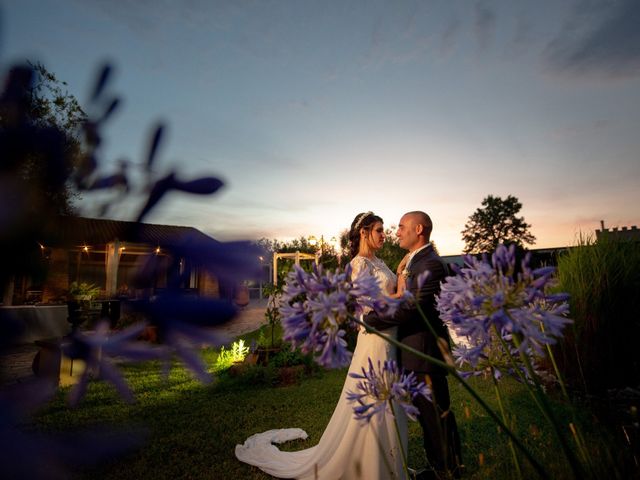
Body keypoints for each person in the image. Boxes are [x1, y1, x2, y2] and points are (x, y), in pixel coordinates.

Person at [235, 212, 408, 479]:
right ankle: (370, 463)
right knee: (374, 398)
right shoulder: (358, 265)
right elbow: (372, 307)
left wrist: (397, 275)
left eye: (384, 231)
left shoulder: (380, 262)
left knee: (390, 397)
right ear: (363, 233)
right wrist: (401, 290)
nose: (384, 235)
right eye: (379, 230)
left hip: (391, 337)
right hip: (375, 338)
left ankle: (391, 461)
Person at [365, 211, 462, 479]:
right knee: (429, 412)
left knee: (435, 413)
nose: (396, 232)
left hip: (424, 351)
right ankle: (443, 464)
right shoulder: (414, 261)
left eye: (402, 227)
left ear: (419, 229)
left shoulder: (429, 264)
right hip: (415, 349)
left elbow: (410, 309)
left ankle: (446, 469)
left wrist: (368, 319)